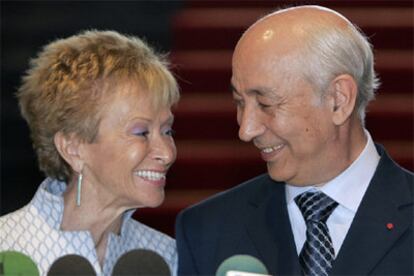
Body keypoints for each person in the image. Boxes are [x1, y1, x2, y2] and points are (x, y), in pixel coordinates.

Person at [175, 5, 413, 276]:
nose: (246, 130)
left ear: (339, 99)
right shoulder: (207, 230)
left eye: (265, 104)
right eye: (240, 102)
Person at [0, 30, 180, 275]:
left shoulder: (167, 257)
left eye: (167, 131)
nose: (167, 154)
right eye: (141, 133)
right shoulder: (7, 247)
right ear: (73, 148)